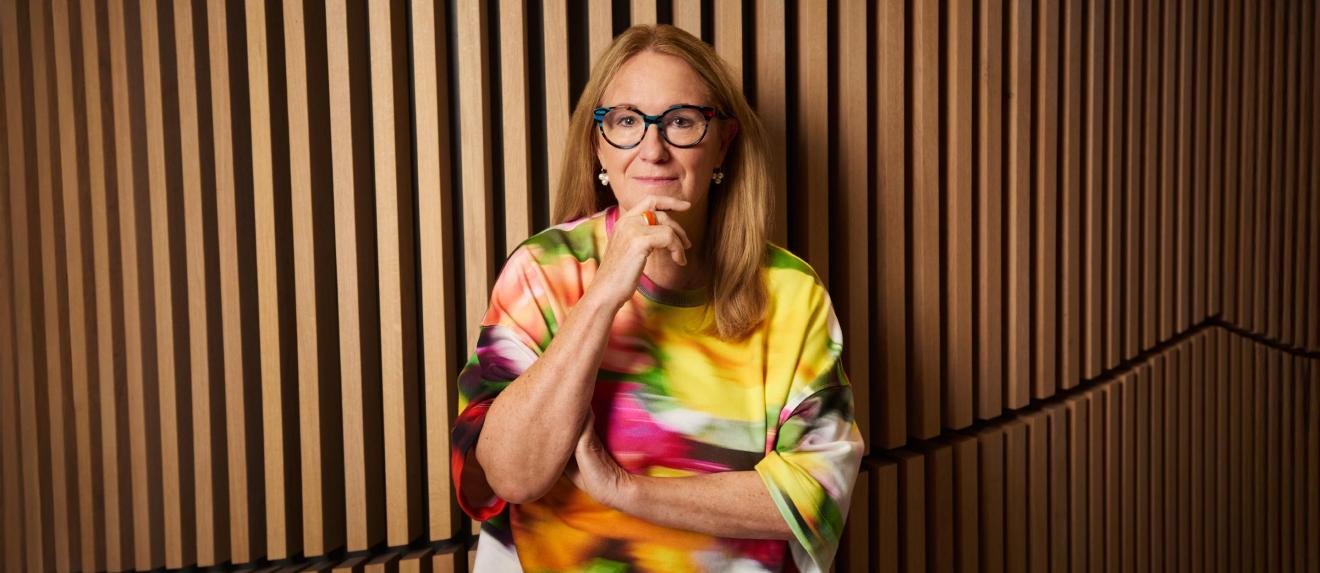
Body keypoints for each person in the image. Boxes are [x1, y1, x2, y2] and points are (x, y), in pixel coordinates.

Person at [451, 24, 863, 573]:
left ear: (724, 143)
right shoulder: (543, 271)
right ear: (598, 144)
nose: (653, 149)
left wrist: (624, 490)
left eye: (681, 122)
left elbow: (815, 496)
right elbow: (511, 475)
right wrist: (603, 297)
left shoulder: (791, 294)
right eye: (626, 121)